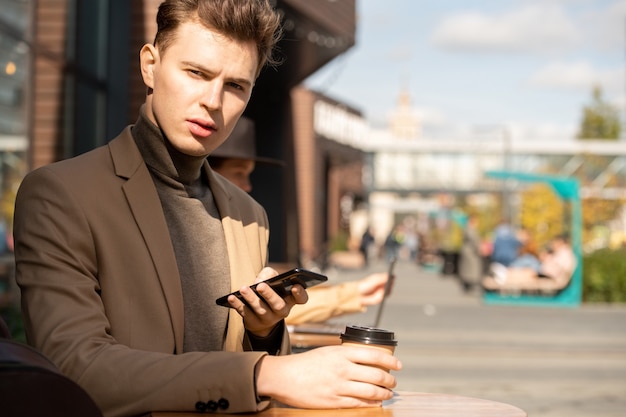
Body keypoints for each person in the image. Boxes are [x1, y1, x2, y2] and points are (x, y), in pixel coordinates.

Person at [13, 2, 401, 416]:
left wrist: (264, 331)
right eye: (196, 73)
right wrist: (265, 373)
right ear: (150, 65)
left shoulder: (249, 213)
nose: (213, 100)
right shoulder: (61, 194)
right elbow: (75, 369)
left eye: (236, 86)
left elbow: (255, 374)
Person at [209, 117, 391, 325]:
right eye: (239, 173)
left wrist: (353, 294)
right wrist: (351, 295)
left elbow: (267, 306)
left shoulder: (246, 223)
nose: (247, 186)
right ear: (209, 173)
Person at [483, 234, 576, 292]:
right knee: (528, 261)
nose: (553, 244)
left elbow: (561, 266)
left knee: (528, 260)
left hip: (547, 272)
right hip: (545, 270)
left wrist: (547, 260)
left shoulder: (565, 253)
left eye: (555, 242)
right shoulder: (560, 252)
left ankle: (505, 271)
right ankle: (505, 272)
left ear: (561, 242)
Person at [457, 214, 483, 292]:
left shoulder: (468, 228)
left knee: (468, 268)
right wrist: (478, 248)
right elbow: (474, 240)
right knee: (470, 268)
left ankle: (469, 284)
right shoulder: (469, 228)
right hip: (470, 251)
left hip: (469, 251)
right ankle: (469, 284)